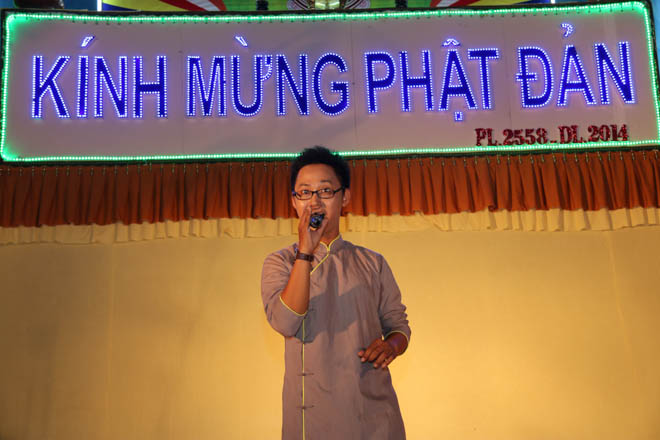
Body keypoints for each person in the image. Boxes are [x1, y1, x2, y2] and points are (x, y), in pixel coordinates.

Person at [261, 146, 411, 440]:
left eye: (325, 191)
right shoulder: (280, 262)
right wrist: (305, 251)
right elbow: (286, 322)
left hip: (373, 416)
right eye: (305, 192)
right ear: (294, 202)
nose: (315, 201)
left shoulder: (373, 263)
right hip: (312, 420)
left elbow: (399, 327)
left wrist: (391, 347)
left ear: (345, 198)